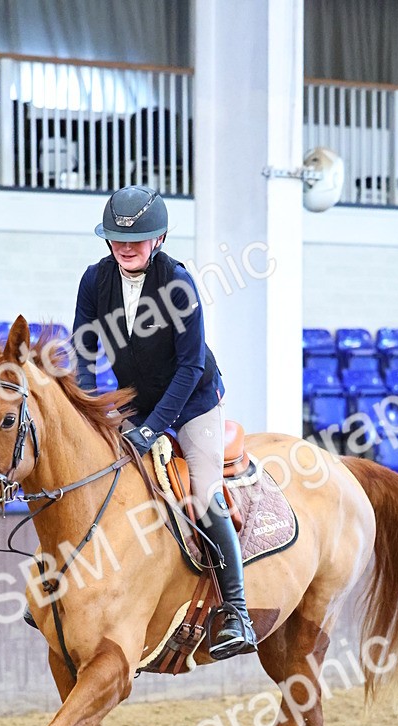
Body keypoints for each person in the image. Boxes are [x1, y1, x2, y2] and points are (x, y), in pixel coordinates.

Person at [71, 185, 257, 660]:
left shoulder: (178, 284)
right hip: (132, 400)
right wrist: (94, 414)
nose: (126, 247)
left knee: (202, 493)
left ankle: (237, 611)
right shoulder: (94, 281)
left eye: (138, 238)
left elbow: (190, 366)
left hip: (192, 400)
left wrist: (153, 429)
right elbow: (83, 358)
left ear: (160, 239)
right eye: (117, 238)